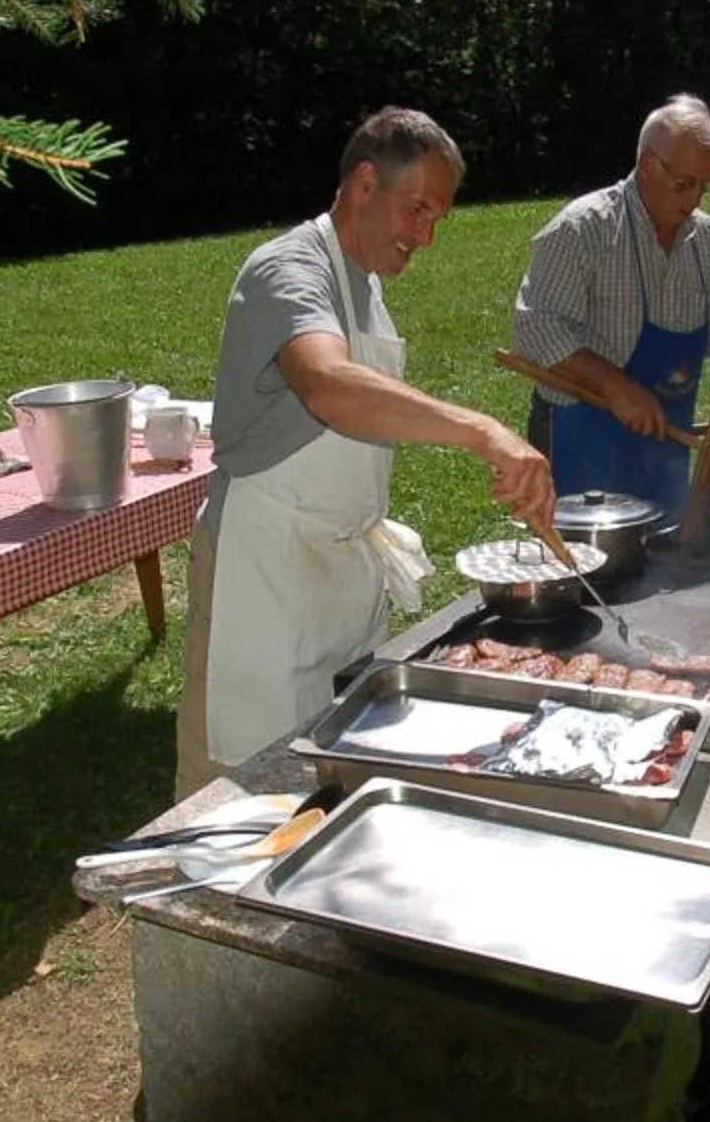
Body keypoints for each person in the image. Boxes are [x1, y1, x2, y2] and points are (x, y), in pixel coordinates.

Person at [176, 107, 555, 792]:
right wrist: (482, 430)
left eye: (438, 219)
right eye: (418, 210)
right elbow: (327, 383)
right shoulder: (288, 269)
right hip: (264, 574)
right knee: (235, 792)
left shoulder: (365, 282)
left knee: (331, 774)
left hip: (334, 574)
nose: (426, 236)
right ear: (363, 184)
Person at [511, 94, 710, 515]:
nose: (695, 200)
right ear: (647, 165)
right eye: (684, 184)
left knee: (667, 552)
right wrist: (615, 386)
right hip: (579, 441)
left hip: (664, 448)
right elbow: (536, 328)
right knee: (581, 556)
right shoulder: (582, 230)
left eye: (705, 185)